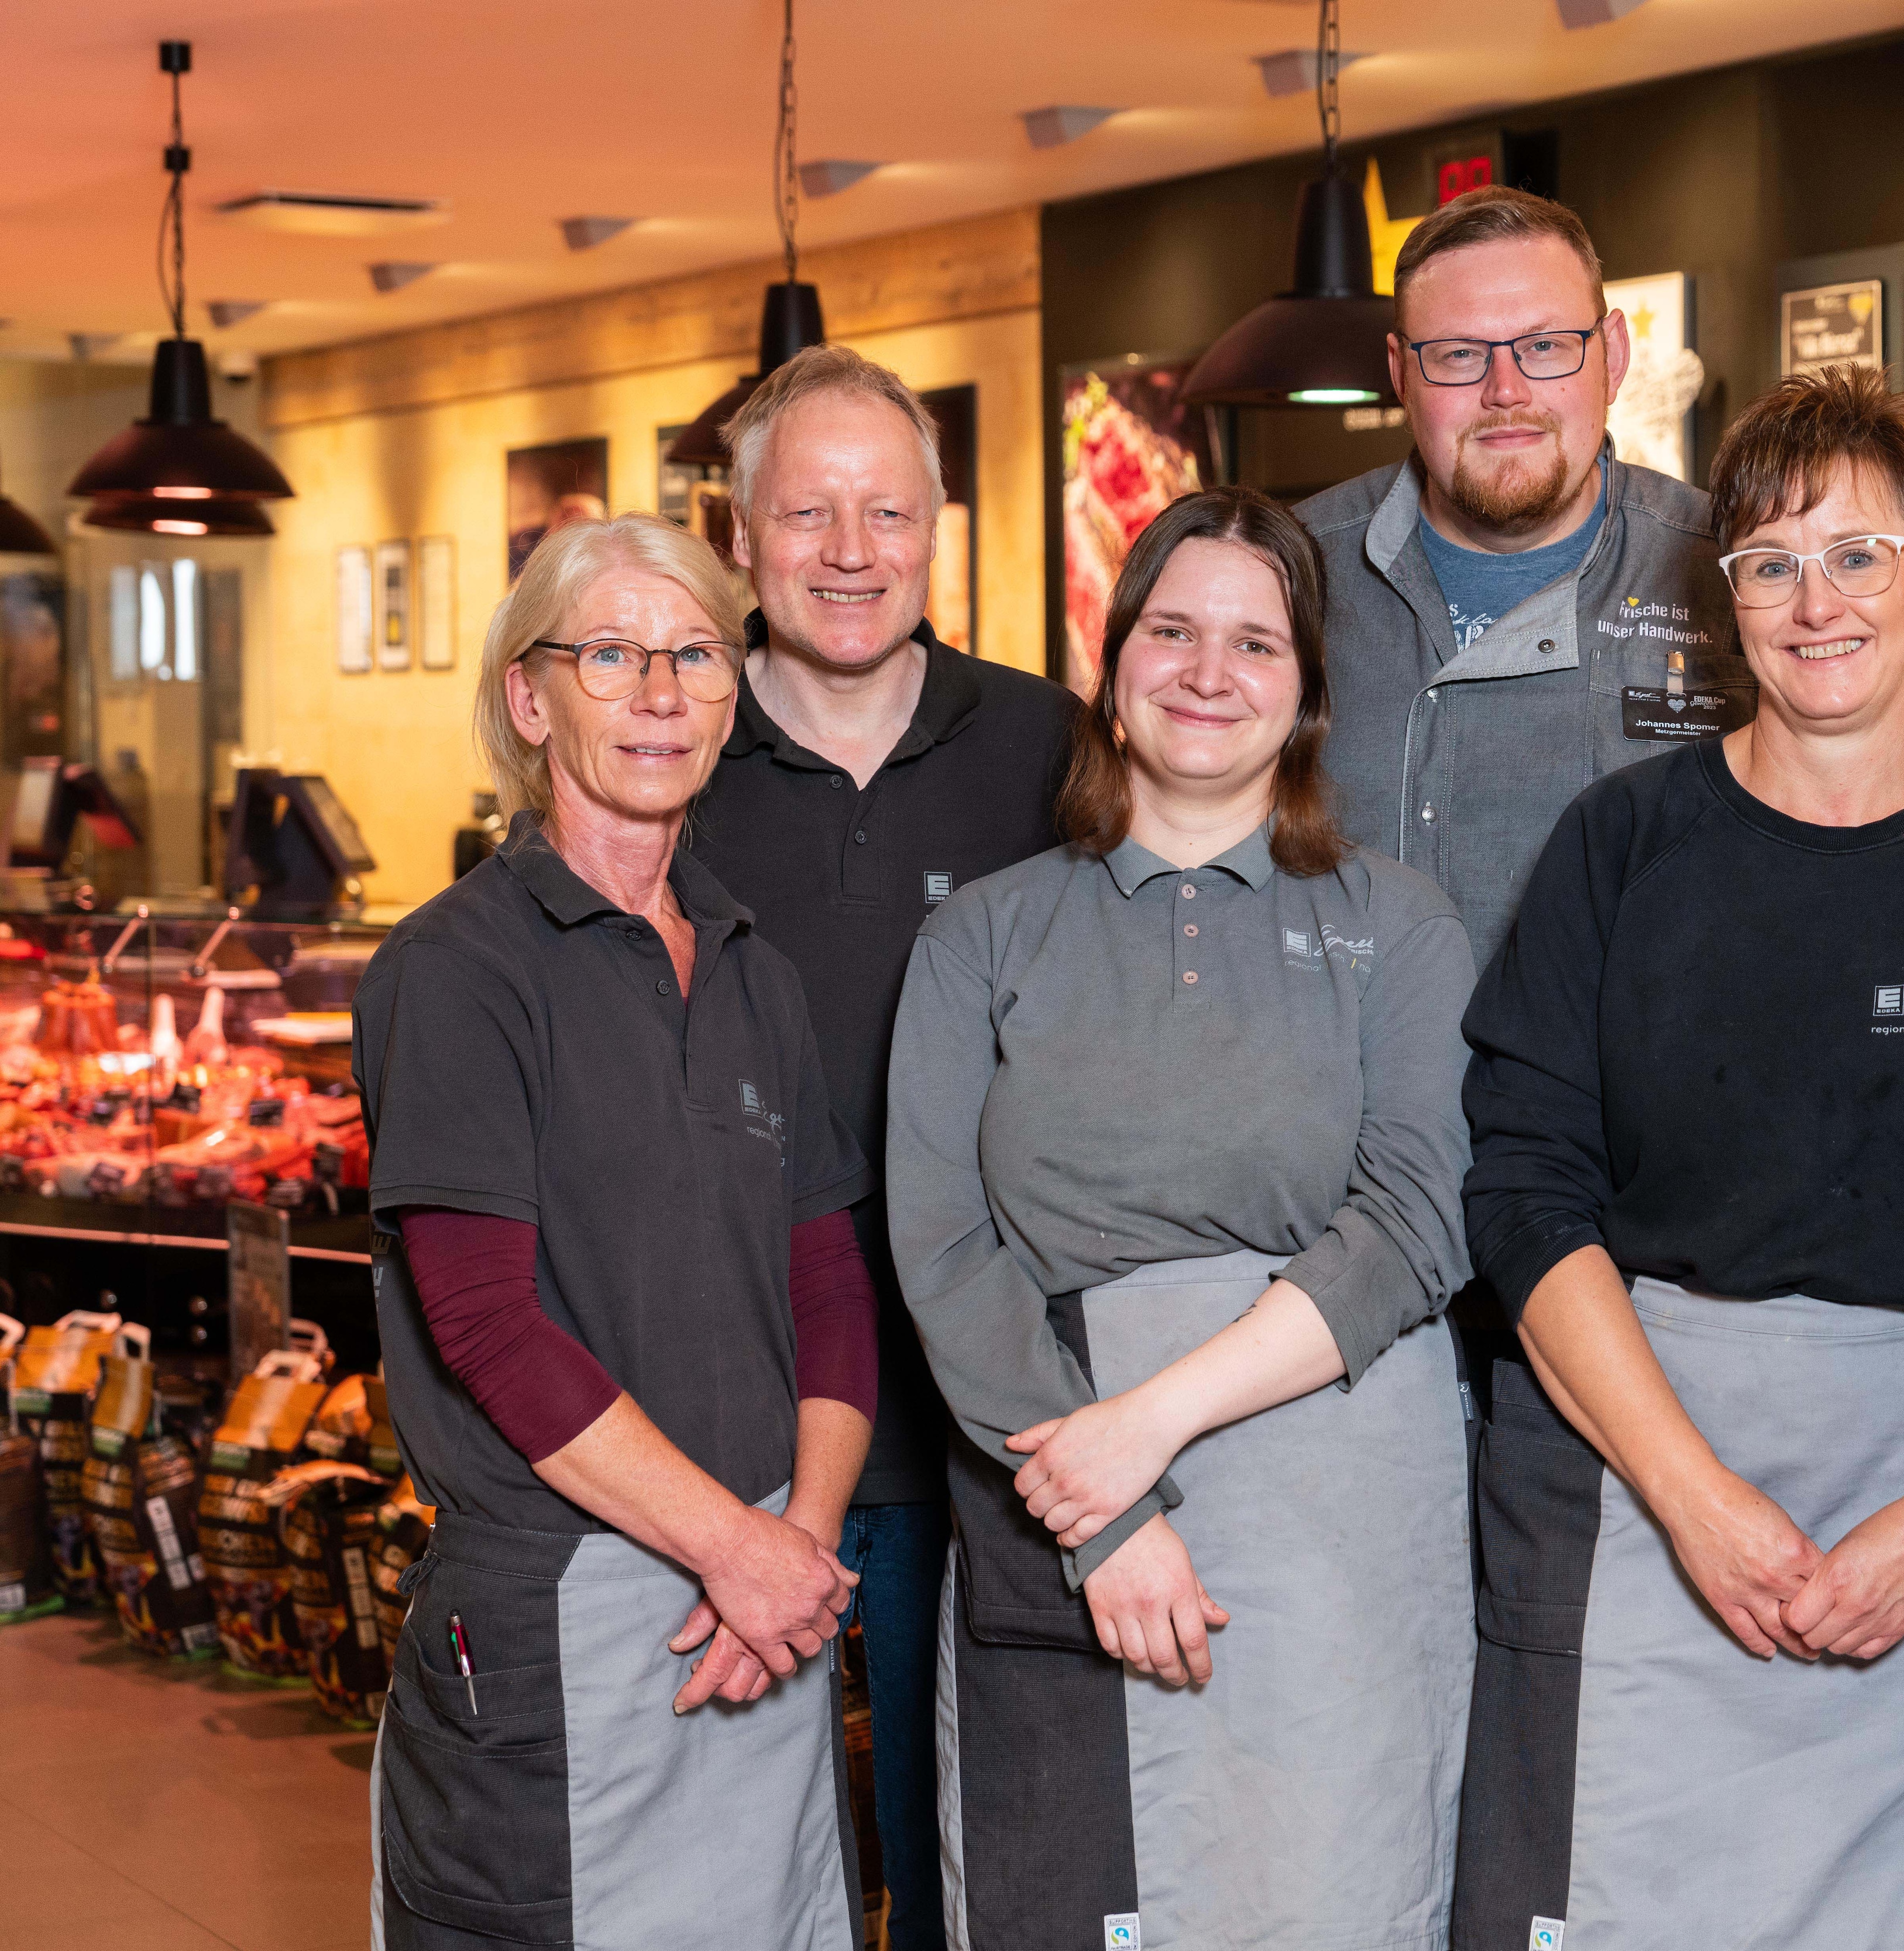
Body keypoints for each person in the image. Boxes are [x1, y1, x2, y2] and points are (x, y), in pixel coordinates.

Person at [1453, 368, 1904, 1949]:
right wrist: (1698, 1502)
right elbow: (1525, 1193)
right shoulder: (1621, 848)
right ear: (1726, 596)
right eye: (1772, 563)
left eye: (1861, 555)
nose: (1819, 604)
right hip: (1637, 1486)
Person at [887, 487, 1477, 1950]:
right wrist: (1108, 1512)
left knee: (1337, 1896)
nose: (1209, 673)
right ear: (1113, 664)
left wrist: (1145, 1430)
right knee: (1067, 1900)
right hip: (1057, 1481)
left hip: (1339, 1511)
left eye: (1256, 644)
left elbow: (1418, 1216)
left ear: (1306, 697)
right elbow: (945, 1248)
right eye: (1173, 631)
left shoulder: (1395, 922)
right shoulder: (985, 934)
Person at [355, 513, 878, 1949]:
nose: (661, 691)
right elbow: (484, 1324)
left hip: (762, 1606)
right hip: (565, 1611)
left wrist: (801, 1541)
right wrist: (737, 1550)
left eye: (698, 655)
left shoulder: (755, 968)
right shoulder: (455, 972)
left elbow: (827, 1275)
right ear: (531, 699)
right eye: (613, 653)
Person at [686, 342, 1077, 1951]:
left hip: (981, 1420)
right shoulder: (668, 745)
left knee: (960, 1858)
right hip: (717, 1419)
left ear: (939, 528)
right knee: (721, 1858)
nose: (853, 554)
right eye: (809, 515)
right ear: (738, 533)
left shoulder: (1052, 749)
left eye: (889, 513)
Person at [1302, 185, 1750, 970]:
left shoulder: (1732, 571)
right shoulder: (1292, 573)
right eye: (1460, 354)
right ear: (1400, 374)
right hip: (1349, 1090)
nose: (1505, 392)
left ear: (1613, 353)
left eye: (1545, 346)